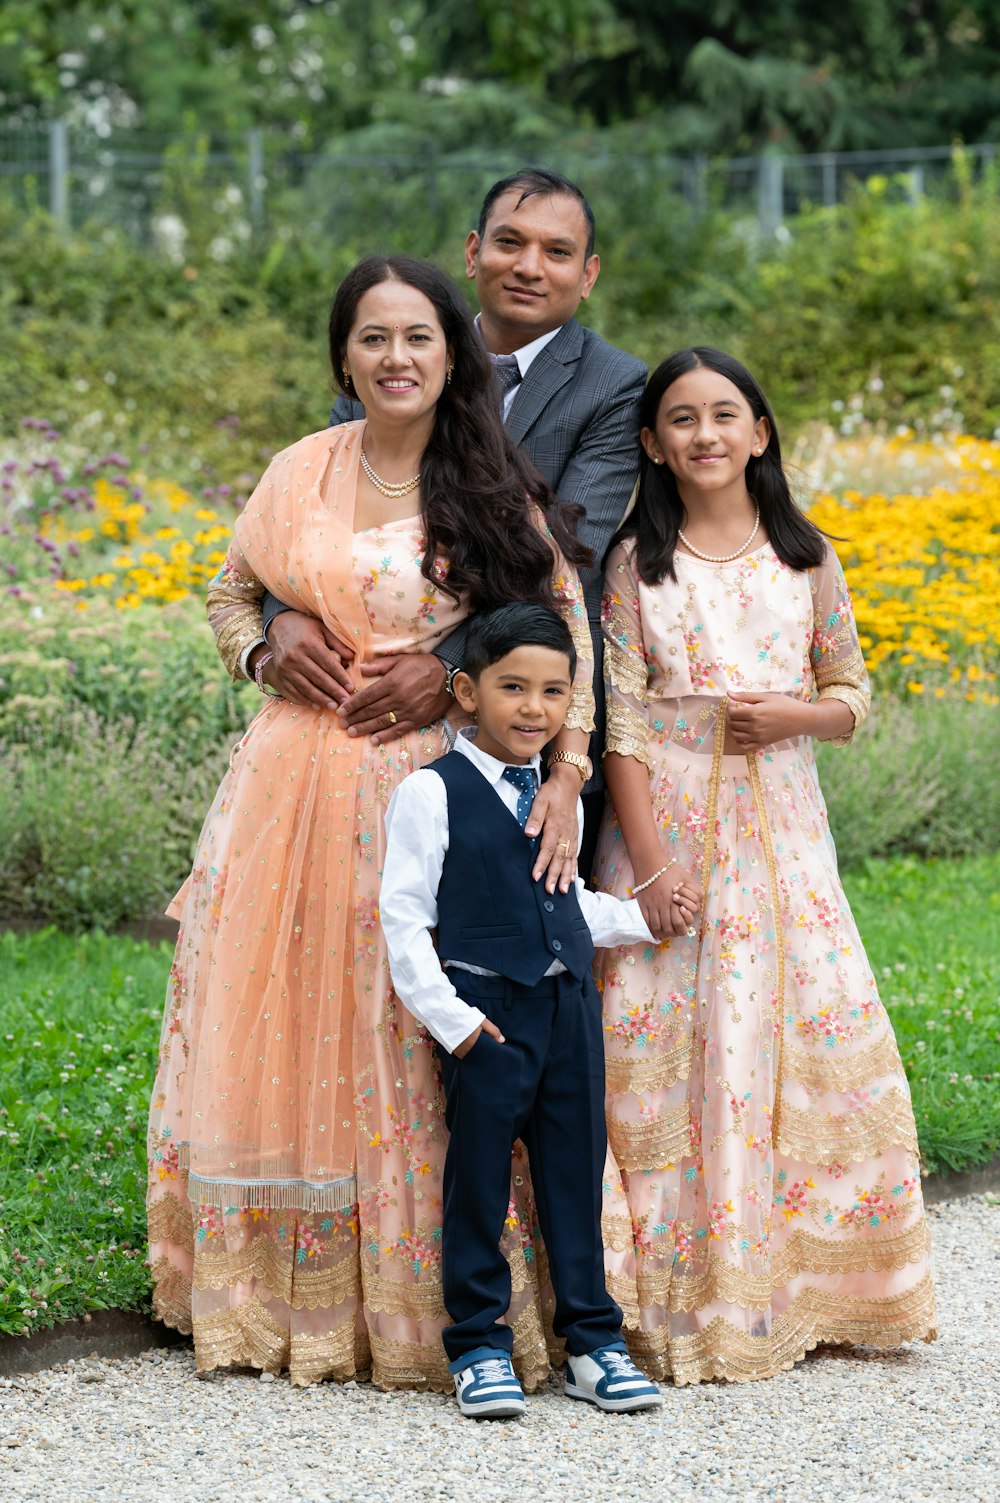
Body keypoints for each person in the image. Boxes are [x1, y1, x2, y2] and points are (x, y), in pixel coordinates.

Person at [145, 255, 598, 1389]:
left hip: (434, 789)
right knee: (299, 1018)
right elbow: (229, 590)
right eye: (373, 338)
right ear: (344, 355)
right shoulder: (301, 469)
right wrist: (266, 643)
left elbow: (560, 627)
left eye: (418, 339)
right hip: (291, 787)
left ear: (454, 357)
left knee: (419, 1026)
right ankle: (285, 1295)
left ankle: (438, 1305)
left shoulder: (491, 485)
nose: (396, 359)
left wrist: (550, 756)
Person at [593, 347, 937, 1384]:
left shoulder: (805, 556)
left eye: (724, 415)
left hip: (783, 835)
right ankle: (668, 1288)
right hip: (670, 822)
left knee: (795, 1027)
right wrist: (648, 866)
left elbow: (852, 691)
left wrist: (799, 716)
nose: (704, 435)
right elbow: (618, 719)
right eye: (681, 419)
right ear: (653, 443)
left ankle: (810, 1282)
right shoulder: (635, 565)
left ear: (760, 432)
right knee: (660, 1040)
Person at [256, 169, 647, 878]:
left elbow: (564, 556)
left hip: (515, 715)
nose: (529, 266)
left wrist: (449, 666)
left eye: (557, 252)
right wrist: (282, 617)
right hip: (360, 714)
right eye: (509, 242)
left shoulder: (613, 386)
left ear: (588, 275)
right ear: (473, 253)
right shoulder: (397, 357)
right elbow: (316, 523)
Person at [380, 602, 701, 1417]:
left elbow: (571, 904)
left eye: (553, 692)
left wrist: (642, 916)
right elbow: (404, 920)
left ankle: (593, 1342)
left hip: (567, 1010)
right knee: (479, 1183)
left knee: (573, 1174)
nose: (534, 708)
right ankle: (478, 1345)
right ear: (466, 690)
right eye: (513, 686)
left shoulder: (560, 796)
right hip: (485, 1016)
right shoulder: (430, 793)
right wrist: (453, 1023)